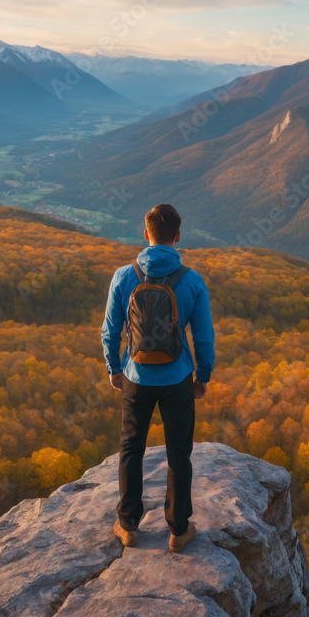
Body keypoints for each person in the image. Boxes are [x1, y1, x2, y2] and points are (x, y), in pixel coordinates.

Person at [101, 203, 215, 553]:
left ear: (145, 233)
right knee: (179, 453)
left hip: (135, 376)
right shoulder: (192, 281)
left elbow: (109, 331)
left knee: (131, 448)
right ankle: (178, 529)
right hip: (178, 377)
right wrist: (203, 376)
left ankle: (129, 525)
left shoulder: (124, 275)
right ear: (177, 237)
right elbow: (204, 337)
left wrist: (114, 369)